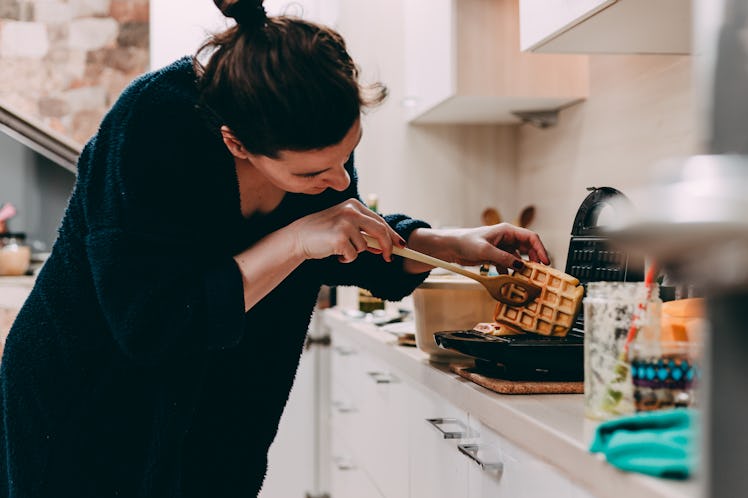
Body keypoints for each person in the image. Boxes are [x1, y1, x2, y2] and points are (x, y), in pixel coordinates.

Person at [0, 1, 549, 496]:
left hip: (221, 400)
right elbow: (152, 322)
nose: (339, 181)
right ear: (235, 142)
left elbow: (340, 233)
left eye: (348, 153)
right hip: (86, 397)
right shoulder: (152, 126)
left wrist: (445, 243)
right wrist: (293, 242)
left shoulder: (309, 119)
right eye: (313, 171)